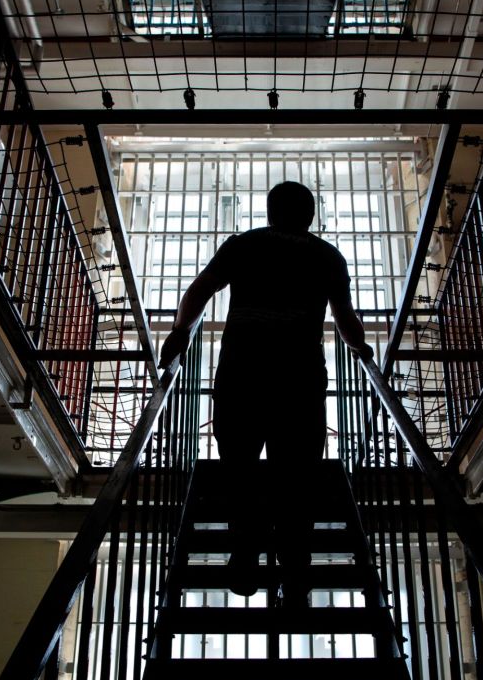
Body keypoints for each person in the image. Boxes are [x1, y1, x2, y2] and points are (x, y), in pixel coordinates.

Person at [158, 181, 371, 606]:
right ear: (310, 215)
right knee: (296, 476)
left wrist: (180, 332)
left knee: (239, 468)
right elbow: (346, 319)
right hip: (299, 379)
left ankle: (245, 556)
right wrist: (360, 349)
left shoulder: (244, 246)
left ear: (270, 211)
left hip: (243, 374)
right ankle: (294, 575)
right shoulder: (326, 256)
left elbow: (199, 291)